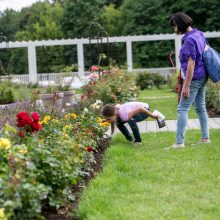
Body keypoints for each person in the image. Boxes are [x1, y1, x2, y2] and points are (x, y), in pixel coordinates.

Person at [168, 12, 210, 149]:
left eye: (174, 26)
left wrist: (186, 86)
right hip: (202, 75)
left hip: (194, 77)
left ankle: (179, 142)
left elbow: (191, 64)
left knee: (182, 109)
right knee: (200, 107)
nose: (175, 30)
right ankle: (205, 139)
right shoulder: (199, 34)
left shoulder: (190, 40)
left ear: (180, 24)